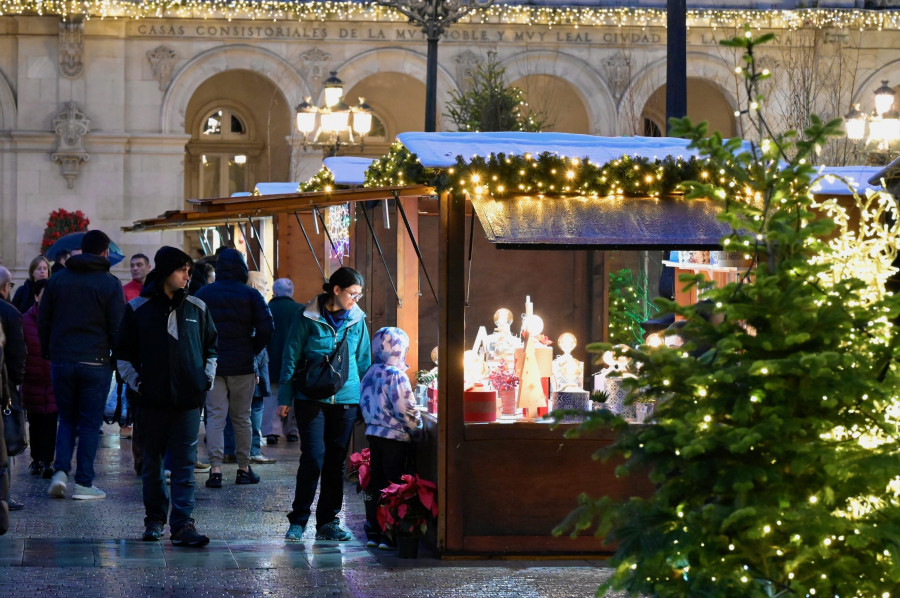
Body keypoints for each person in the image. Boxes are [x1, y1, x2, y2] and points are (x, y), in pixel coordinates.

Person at [116, 246, 217, 547]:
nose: (188, 275)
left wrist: (205, 380)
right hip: (151, 402)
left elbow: (211, 347)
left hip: (187, 401)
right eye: (182, 269)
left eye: (189, 270)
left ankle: (183, 524)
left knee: (185, 464)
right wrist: (139, 384)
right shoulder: (138, 309)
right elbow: (122, 354)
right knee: (152, 464)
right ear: (164, 272)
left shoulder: (197, 308)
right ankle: (155, 519)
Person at [277, 267, 372, 542]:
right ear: (337, 290)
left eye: (359, 295)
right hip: (311, 398)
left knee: (335, 463)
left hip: (346, 399)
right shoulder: (307, 316)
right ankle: (298, 520)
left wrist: (366, 400)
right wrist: (285, 398)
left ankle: (328, 521)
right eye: (352, 293)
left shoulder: (357, 320)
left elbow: (364, 361)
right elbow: (290, 356)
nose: (356, 299)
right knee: (313, 458)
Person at [39, 229, 126, 500]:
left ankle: (61, 472)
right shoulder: (110, 283)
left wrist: (49, 352)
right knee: (89, 424)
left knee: (66, 419)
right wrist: (116, 359)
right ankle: (84, 483)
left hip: (62, 360)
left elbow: (44, 320)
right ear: (104, 253)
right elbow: (117, 328)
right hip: (95, 361)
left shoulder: (58, 280)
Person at [194, 249, 273, 488]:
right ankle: (243, 468)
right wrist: (251, 349)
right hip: (242, 365)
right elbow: (267, 327)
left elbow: (194, 328)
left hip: (213, 366)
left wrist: (205, 353)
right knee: (242, 418)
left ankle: (215, 470)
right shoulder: (251, 295)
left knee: (215, 418)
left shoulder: (204, 293)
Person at [359, 327, 423, 549]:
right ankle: (390, 533)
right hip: (395, 438)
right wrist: (418, 431)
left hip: (374, 435)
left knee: (378, 483)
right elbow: (406, 410)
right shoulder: (397, 376)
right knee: (394, 485)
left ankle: (374, 532)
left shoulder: (371, 372)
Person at [21, 278, 57, 478]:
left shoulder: (58, 318)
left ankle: (47, 460)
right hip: (33, 379)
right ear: (36, 297)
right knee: (35, 421)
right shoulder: (25, 320)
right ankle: (36, 459)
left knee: (51, 421)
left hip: (52, 379)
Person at [0, 267, 26, 512]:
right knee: (3, 446)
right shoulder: (9, 312)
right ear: (5, 287)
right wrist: (16, 381)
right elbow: (18, 353)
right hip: (3, 386)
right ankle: (2, 496)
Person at [263, 277, 301, 446]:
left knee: (272, 395)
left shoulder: (267, 308)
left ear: (275, 292)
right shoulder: (300, 310)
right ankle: (293, 431)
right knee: (293, 396)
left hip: (272, 360)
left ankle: (272, 431)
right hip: (295, 361)